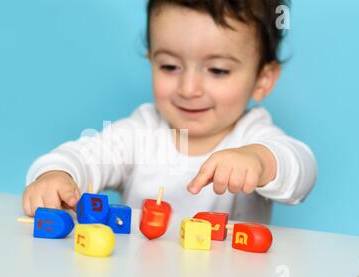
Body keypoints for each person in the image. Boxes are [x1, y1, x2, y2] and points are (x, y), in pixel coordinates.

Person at [23, 0, 317, 224]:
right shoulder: (141, 132)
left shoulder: (253, 136)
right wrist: (56, 175)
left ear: (262, 80)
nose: (188, 88)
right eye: (169, 66)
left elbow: (302, 172)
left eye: (217, 70)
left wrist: (260, 161)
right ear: (151, 60)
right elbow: (84, 157)